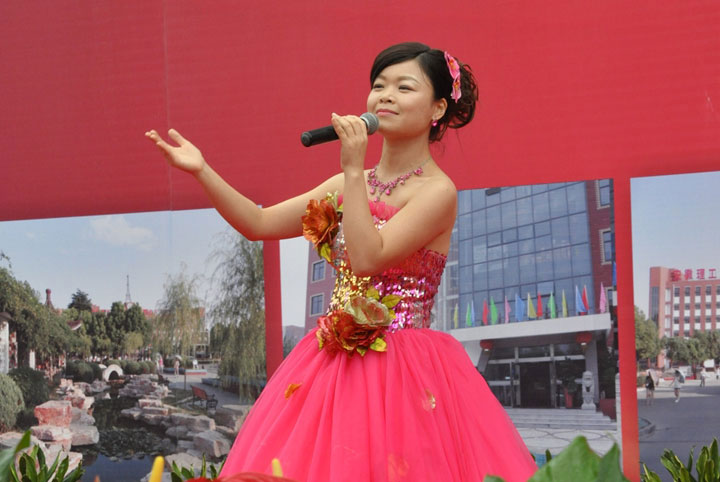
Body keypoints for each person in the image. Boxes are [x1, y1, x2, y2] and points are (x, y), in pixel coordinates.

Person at [146, 41, 536, 481]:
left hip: (404, 373)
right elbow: (258, 222)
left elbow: (369, 257)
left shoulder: (438, 192)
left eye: (404, 87)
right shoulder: (349, 181)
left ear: (438, 108)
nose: (385, 96)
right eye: (379, 85)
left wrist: (352, 171)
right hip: (328, 367)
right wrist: (201, 170)